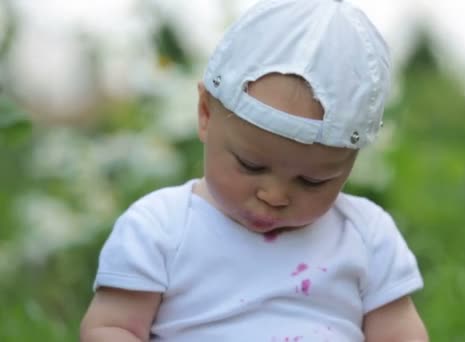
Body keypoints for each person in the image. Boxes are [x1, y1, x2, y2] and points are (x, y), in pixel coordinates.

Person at [80, 0, 428, 341]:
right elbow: (113, 327)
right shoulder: (161, 228)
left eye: (312, 181)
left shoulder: (366, 236)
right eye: (251, 165)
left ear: (351, 161)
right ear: (205, 113)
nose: (274, 196)